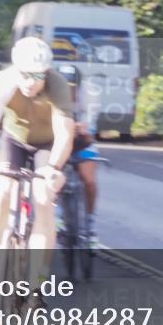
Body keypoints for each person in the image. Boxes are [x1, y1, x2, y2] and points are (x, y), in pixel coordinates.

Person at [0, 37, 75, 306]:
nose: (31, 82)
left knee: (43, 198)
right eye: (25, 75)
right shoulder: (3, 81)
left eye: (38, 75)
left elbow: (64, 133)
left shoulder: (57, 85)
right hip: (13, 140)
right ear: (16, 69)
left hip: (46, 145)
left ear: (46, 72)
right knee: (1, 194)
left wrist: (54, 169)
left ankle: (37, 282)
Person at [54, 64, 100, 249]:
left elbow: (90, 134)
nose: (68, 91)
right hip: (57, 139)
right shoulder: (51, 94)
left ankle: (89, 224)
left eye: (72, 87)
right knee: (52, 174)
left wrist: (83, 128)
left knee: (88, 179)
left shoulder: (89, 97)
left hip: (82, 139)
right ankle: (57, 215)